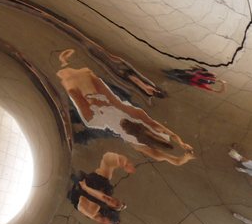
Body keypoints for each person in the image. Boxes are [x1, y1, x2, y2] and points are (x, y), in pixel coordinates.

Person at [57, 50, 194, 165]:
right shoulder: (138, 144)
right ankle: (64, 67)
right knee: (77, 88)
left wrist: (181, 143)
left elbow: (163, 131)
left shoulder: (139, 116)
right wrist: (182, 155)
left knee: (82, 85)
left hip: (103, 114)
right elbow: (165, 156)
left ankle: (64, 66)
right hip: (99, 118)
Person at [69, 152, 134, 224]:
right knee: (77, 175)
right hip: (78, 178)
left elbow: (100, 218)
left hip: (72, 193)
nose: (112, 201)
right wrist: (123, 162)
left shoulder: (94, 209)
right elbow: (107, 160)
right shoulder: (104, 182)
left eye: (115, 205)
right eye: (116, 201)